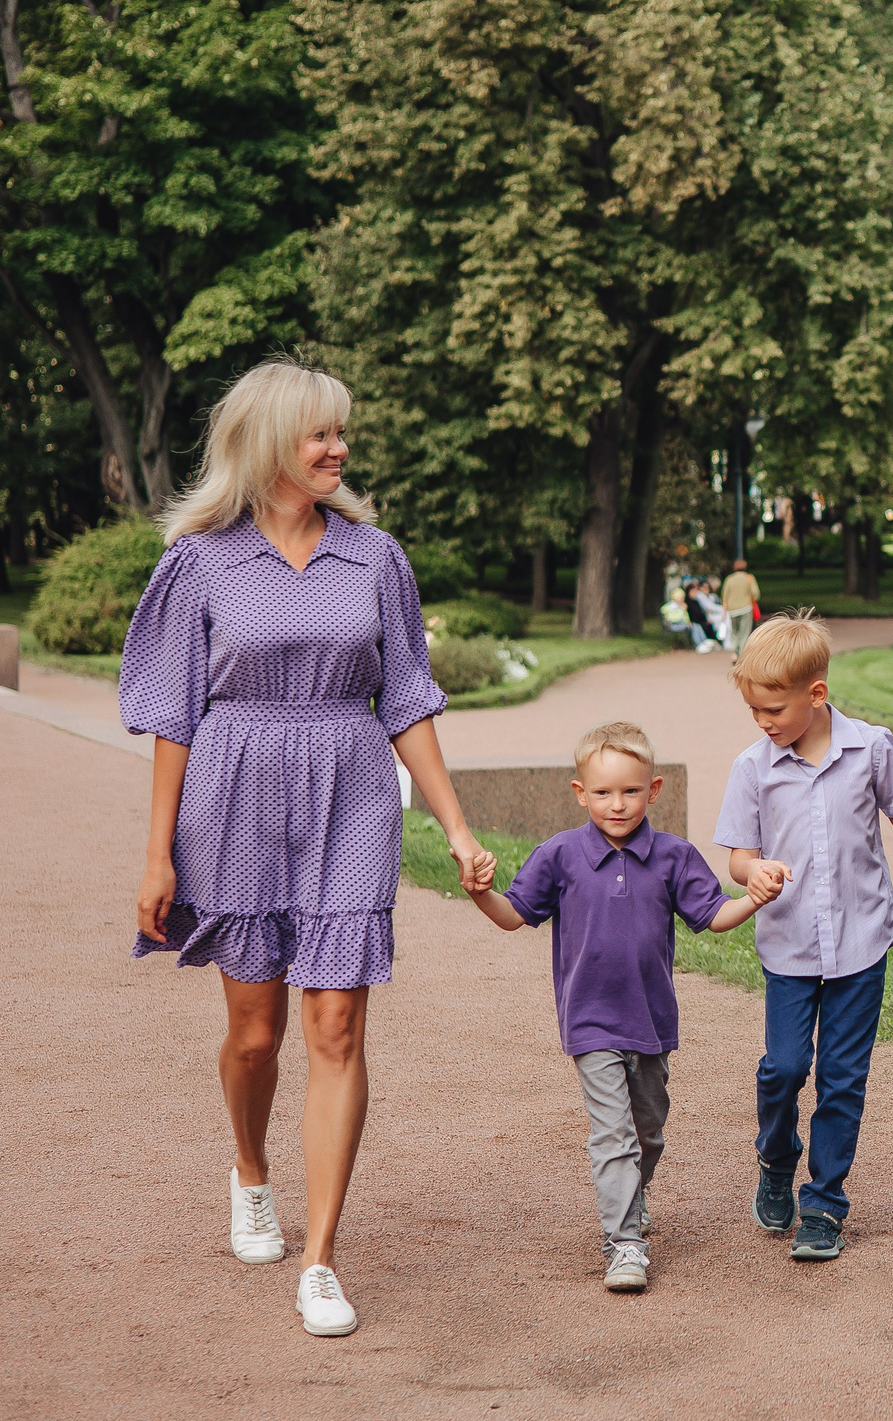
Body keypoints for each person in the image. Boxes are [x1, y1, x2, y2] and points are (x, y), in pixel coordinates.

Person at [124, 357, 495, 1339]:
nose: (340, 448)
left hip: (351, 794)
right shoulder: (200, 563)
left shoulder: (376, 558)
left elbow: (406, 697)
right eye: (321, 433)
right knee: (257, 1036)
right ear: (268, 445)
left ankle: (321, 1258)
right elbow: (172, 716)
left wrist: (456, 825)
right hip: (235, 794)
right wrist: (157, 855)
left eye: (341, 431)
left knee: (336, 1029)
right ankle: (250, 1172)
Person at [461, 722, 767, 1292]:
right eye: (603, 792)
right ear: (581, 793)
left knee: (648, 1131)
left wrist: (752, 898)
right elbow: (513, 915)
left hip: (652, 1021)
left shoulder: (674, 856)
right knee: (614, 1135)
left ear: (654, 790)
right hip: (590, 1020)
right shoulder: (560, 854)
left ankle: (634, 1195)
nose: (617, 804)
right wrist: (481, 892)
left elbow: (713, 916)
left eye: (630, 791)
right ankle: (624, 1243)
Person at [712, 613, 893, 1263]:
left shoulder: (871, 748)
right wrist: (754, 872)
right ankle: (776, 1154)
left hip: (861, 942)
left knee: (842, 1079)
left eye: (773, 709)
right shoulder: (753, 768)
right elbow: (739, 857)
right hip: (788, 946)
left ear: (816, 694)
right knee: (784, 1067)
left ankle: (824, 1205)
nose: (762, 721)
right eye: (753, 709)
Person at [720, 557, 760, 653]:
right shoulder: (749, 578)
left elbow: (724, 596)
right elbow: (755, 594)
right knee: (744, 632)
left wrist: (724, 611)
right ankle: (741, 653)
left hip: (732, 610)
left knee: (734, 632)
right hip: (745, 608)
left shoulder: (729, 579)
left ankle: (735, 651)